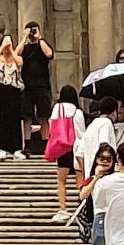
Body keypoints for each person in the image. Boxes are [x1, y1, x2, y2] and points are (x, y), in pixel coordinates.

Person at [44, 87, 84, 216]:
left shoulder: (57, 109)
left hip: (62, 148)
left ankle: (62, 208)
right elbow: (80, 133)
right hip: (75, 148)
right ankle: (82, 206)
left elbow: (51, 125)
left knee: (61, 180)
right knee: (80, 179)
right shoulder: (77, 112)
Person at [0, 34, 26, 158]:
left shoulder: (16, 57)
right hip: (1, 91)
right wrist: (2, 48)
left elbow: (19, 63)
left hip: (14, 90)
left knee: (14, 119)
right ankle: (2, 148)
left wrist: (11, 50)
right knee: (1, 120)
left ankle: (17, 148)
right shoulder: (0, 58)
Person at [19, 21, 55, 155]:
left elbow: (49, 54)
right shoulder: (25, 47)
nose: (32, 33)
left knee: (44, 116)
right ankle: (27, 144)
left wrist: (39, 38)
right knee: (26, 117)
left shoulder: (42, 44)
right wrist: (24, 38)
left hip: (42, 85)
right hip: (27, 86)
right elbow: (16, 55)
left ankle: (46, 143)